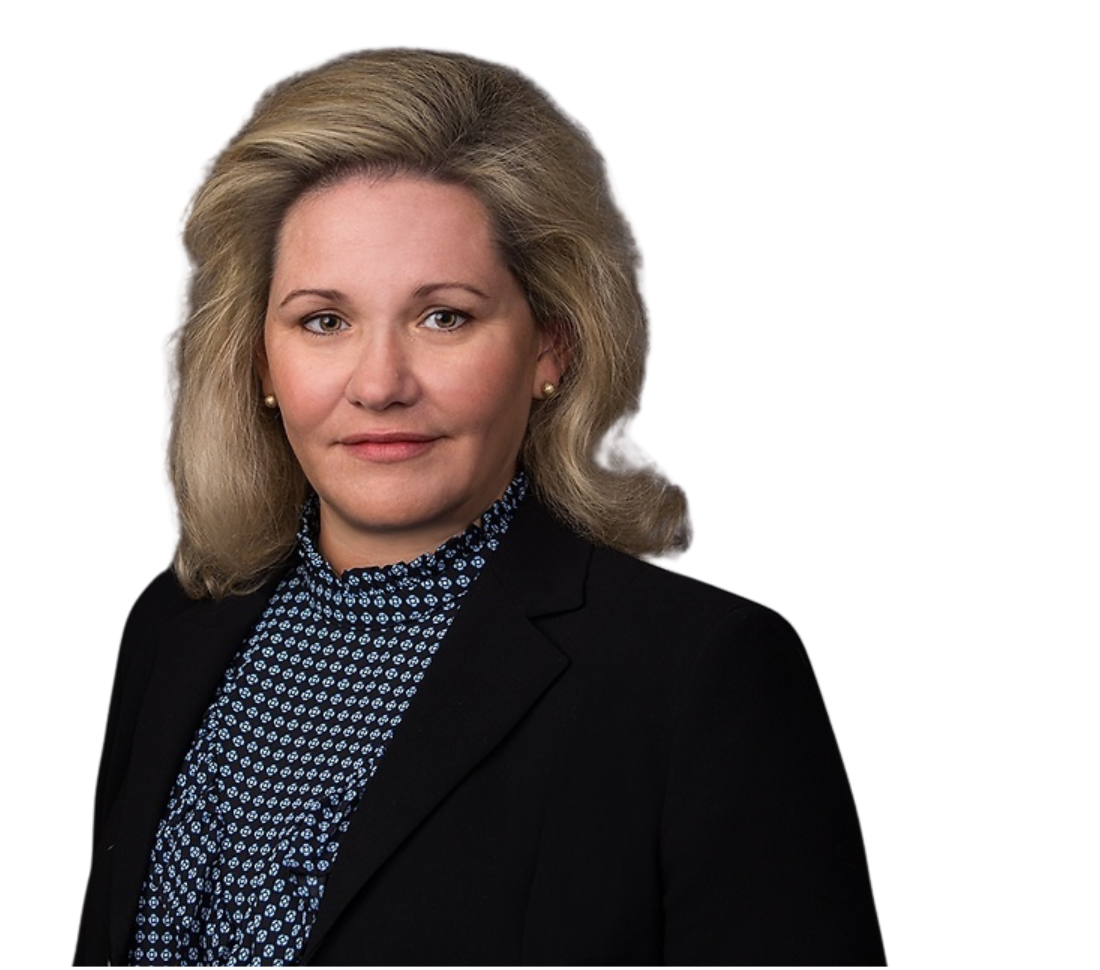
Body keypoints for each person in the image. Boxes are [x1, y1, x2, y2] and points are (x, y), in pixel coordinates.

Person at [75, 46, 883, 967]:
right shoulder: (177, 625)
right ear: (260, 361)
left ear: (551, 346)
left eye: (444, 316)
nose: (378, 385)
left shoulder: (701, 676)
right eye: (323, 321)